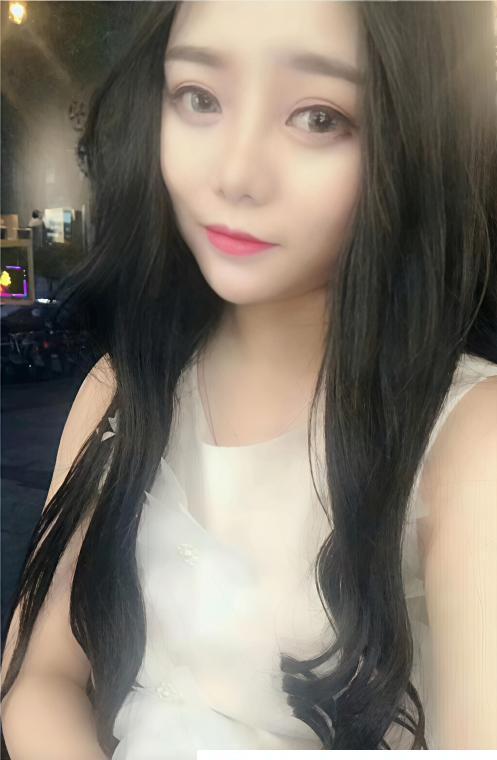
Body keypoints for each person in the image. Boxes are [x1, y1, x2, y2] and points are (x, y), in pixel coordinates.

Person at [1, 1, 497, 757]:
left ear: (412, 137)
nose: (234, 174)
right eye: (198, 97)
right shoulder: (124, 390)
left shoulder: (467, 439)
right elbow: (39, 677)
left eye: (318, 117)